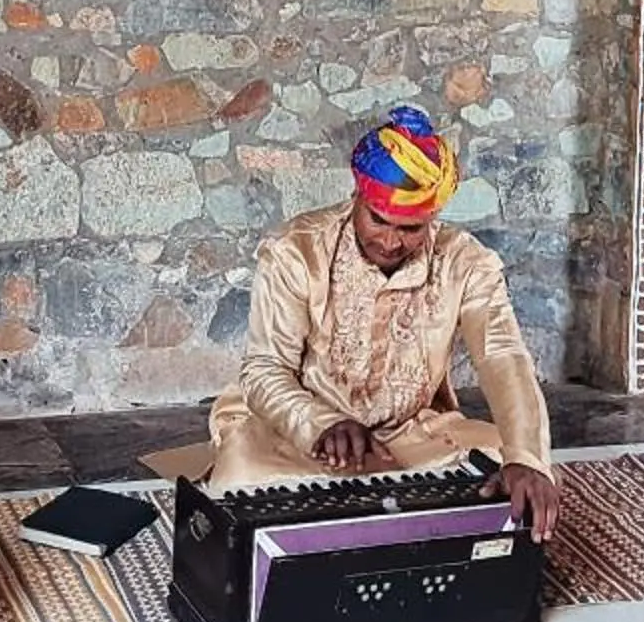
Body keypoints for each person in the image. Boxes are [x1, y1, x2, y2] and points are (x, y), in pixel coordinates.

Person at [206, 105, 562, 537]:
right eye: (379, 220)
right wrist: (323, 425)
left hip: (410, 438)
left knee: (525, 475)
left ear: (432, 219)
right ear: (358, 197)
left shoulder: (466, 262)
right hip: (300, 437)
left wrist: (526, 457)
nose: (391, 242)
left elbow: (502, 355)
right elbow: (265, 369)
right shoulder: (294, 251)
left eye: (411, 229)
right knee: (238, 483)